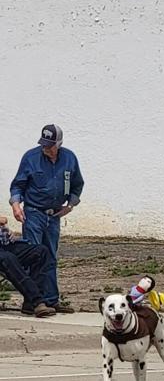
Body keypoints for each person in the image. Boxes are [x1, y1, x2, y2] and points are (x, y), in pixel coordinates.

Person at [9, 124, 84, 313]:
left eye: (50, 145)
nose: (46, 148)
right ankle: (33, 302)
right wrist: (16, 206)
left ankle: (51, 300)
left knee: (50, 256)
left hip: (54, 215)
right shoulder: (31, 158)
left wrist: (70, 205)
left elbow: (77, 184)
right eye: (44, 144)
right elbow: (17, 185)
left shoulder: (69, 158)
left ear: (59, 144)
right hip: (33, 213)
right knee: (34, 255)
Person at [0, 216, 56, 317]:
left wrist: (6, 231)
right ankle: (37, 301)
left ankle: (30, 303)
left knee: (41, 251)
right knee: (8, 259)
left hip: (5, 245)